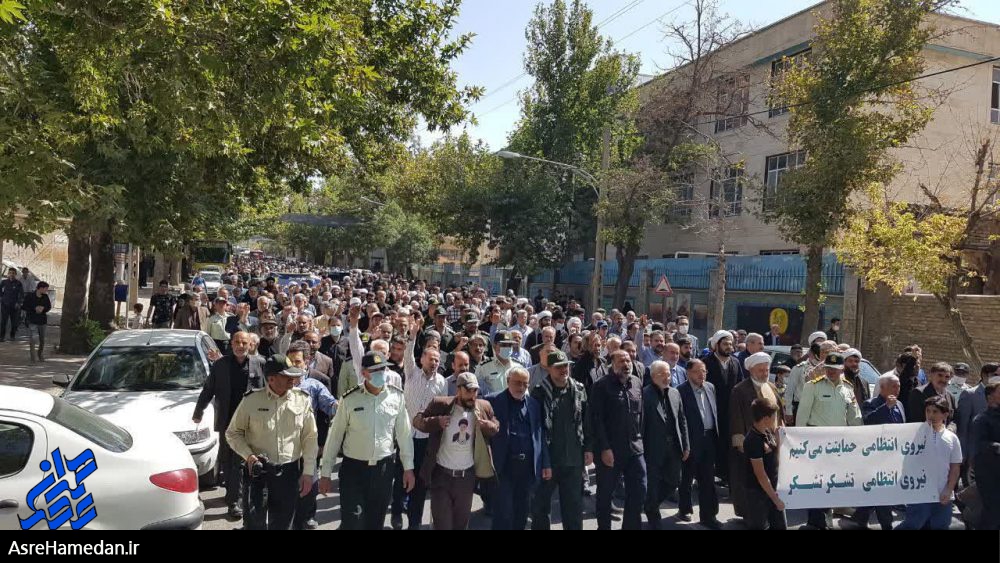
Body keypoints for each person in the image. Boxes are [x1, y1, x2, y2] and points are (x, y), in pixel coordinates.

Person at [320, 350, 415, 530]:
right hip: (354, 470)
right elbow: (335, 437)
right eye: (375, 370)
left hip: (383, 470)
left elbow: (404, 435)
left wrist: (408, 468)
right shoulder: (350, 399)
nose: (381, 374)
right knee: (353, 522)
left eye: (383, 369)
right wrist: (325, 473)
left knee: (375, 523)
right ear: (364, 373)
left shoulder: (396, 397)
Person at [225, 354, 318, 530]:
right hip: (258, 472)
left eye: (293, 375)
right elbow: (233, 433)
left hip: (289, 472)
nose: (292, 379)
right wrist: (249, 456)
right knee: (254, 524)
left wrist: (307, 473)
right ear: (271, 378)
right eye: (287, 376)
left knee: (283, 524)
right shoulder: (251, 400)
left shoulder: (302, 399)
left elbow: (310, 437)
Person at [412, 372, 499, 530]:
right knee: (443, 525)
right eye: (468, 391)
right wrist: (436, 421)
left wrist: (488, 426)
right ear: (458, 390)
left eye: (475, 391)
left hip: (466, 478)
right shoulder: (441, 404)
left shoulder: (483, 407)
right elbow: (417, 421)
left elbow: (496, 426)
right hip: (441, 476)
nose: (472, 396)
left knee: (461, 524)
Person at [193, 331, 264, 518]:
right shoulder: (220, 365)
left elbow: (268, 391)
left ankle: (237, 501)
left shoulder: (259, 364)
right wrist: (198, 412)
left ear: (250, 345)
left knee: (242, 461)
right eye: (237, 342)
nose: (240, 346)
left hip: (251, 423)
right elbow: (208, 390)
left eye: (244, 343)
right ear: (231, 344)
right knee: (229, 461)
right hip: (227, 422)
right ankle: (233, 497)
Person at [795, 352, 862, 529]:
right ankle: (817, 520)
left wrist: (861, 436)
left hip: (838, 443)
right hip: (816, 441)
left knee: (833, 481)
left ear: (842, 369)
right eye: (828, 368)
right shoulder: (812, 386)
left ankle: (825, 517)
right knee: (817, 482)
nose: (831, 371)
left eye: (835, 369)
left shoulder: (847, 388)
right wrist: (800, 441)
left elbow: (854, 416)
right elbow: (802, 416)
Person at [530, 350, 592, 530]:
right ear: (549, 369)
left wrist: (589, 448)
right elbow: (536, 428)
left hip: (573, 459)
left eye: (566, 365)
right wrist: (542, 460)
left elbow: (587, 421)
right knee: (541, 507)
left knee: (573, 508)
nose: (564, 369)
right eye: (558, 367)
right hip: (548, 460)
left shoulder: (578, 389)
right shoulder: (539, 392)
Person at [590, 350, 646, 530]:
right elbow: (596, 420)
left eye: (628, 360)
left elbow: (641, 415)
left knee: (639, 489)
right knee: (605, 494)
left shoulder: (636, 382)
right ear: (612, 364)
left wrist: (641, 440)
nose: (626, 364)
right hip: (610, 450)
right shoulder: (601, 386)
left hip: (635, 448)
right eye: (621, 361)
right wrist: (604, 448)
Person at [402, 319, 448, 530]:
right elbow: (407, 355)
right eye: (431, 359)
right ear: (422, 359)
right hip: (406, 436)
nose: (434, 362)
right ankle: (397, 510)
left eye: (437, 360)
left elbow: (442, 410)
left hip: (426, 441)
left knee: (420, 484)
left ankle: (414, 523)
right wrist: (413, 335)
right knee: (402, 478)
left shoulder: (442, 382)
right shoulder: (411, 372)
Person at [487, 367, 544, 530]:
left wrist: (544, 464)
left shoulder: (533, 404)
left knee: (522, 512)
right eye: (517, 383)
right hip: (503, 466)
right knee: (503, 514)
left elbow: (539, 436)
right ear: (507, 381)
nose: (521, 387)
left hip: (526, 468)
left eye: (525, 384)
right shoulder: (492, 401)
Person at [729, 351, 783, 521]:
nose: (765, 373)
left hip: (772, 441)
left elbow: (779, 412)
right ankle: (749, 515)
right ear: (751, 370)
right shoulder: (740, 390)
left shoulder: (771, 387)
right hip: (751, 440)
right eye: (761, 370)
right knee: (752, 480)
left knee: (771, 476)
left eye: (767, 370)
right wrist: (739, 443)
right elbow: (736, 417)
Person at [895, 396, 962, 530]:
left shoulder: (952, 438)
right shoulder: (914, 434)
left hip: (942, 494)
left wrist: (948, 489)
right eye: (928, 411)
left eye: (935, 412)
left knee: (940, 526)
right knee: (912, 525)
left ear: (945, 414)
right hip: (920, 493)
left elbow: (955, 468)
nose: (931, 415)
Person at [853, 373, 905, 530]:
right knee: (882, 490)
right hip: (875, 455)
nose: (897, 390)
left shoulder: (900, 404)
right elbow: (868, 421)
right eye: (893, 386)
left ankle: (860, 516)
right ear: (882, 388)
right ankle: (886, 524)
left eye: (899, 386)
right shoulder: (870, 403)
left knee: (878, 490)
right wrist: (886, 407)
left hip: (893, 455)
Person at [642, 360, 689, 529]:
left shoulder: (675, 393)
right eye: (662, 374)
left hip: (674, 447)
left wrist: (686, 445)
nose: (666, 377)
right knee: (653, 483)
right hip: (653, 447)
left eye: (668, 374)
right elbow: (641, 424)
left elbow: (682, 420)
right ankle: (653, 515)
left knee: (674, 481)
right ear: (653, 376)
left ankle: (650, 504)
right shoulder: (645, 395)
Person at [677, 359, 721, 528]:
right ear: (688, 373)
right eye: (697, 371)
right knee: (687, 477)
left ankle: (709, 516)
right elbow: (679, 420)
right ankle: (684, 508)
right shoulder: (680, 391)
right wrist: (684, 444)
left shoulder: (710, 387)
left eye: (704, 371)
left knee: (708, 478)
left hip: (709, 438)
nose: (701, 375)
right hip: (691, 440)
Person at [743, 398, 786, 530]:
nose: (775, 420)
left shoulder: (767, 433)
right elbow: (761, 475)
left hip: (773, 489)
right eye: (774, 417)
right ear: (765, 418)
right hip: (758, 494)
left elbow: (776, 460)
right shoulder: (752, 440)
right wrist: (776, 500)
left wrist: (779, 441)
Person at [704, 330, 740, 482]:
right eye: (725, 344)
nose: (728, 347)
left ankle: (725, 476)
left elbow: (739, 385)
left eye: (730, 344)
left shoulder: (735, 362)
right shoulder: (706, 362)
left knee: (728, 445)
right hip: (711, 410)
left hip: (730, 412)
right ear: (716, 345)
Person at [957, 364, 995, 487]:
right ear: (984, 375)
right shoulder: (970, 395)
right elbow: (963, 427)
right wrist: (963, 453)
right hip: (973, 455)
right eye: (995, 375)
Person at [971, 383, 1000, 530]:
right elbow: (980, 444)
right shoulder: (981, 419)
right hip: (989, 472)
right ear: (990, 397)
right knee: (993, 511)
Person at [783, 331, 828, 424]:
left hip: (821, 409)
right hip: (801, 407)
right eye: (818, 342)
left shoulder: (828, 369)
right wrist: (788, 411)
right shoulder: (799, 368)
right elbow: (789, 391)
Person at [476, 331, 519, 396]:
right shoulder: (483, 367)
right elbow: (477, 392)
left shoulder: (519, 366)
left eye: (510, 345)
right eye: (503, 345)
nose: (507, 348)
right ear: (494, 346)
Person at [21, 281, 51, 363]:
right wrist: (35, 308)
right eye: (45, 289)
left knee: (42, 340)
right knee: (33, 340)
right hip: (32, 320)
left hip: (42, 321)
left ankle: (40, 354)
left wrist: (43, 309)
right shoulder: (30, 296)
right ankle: (33, 358)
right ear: (40, 288)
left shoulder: (45, 297)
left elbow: (49, 306)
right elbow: (24, 306)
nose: (46, 290)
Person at [0, 267, 24, 341]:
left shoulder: (18, 283)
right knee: (3, 322)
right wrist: (1, 298)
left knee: (14, 322)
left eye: (13, 273)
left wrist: (18, 303)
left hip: (14, 306)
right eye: (10, 273)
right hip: (5, 305)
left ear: (15, 274)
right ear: (8, 274)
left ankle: (12, 336)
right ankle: (1, 337)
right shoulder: (4, 282)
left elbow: (21, 294)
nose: (11, 274)